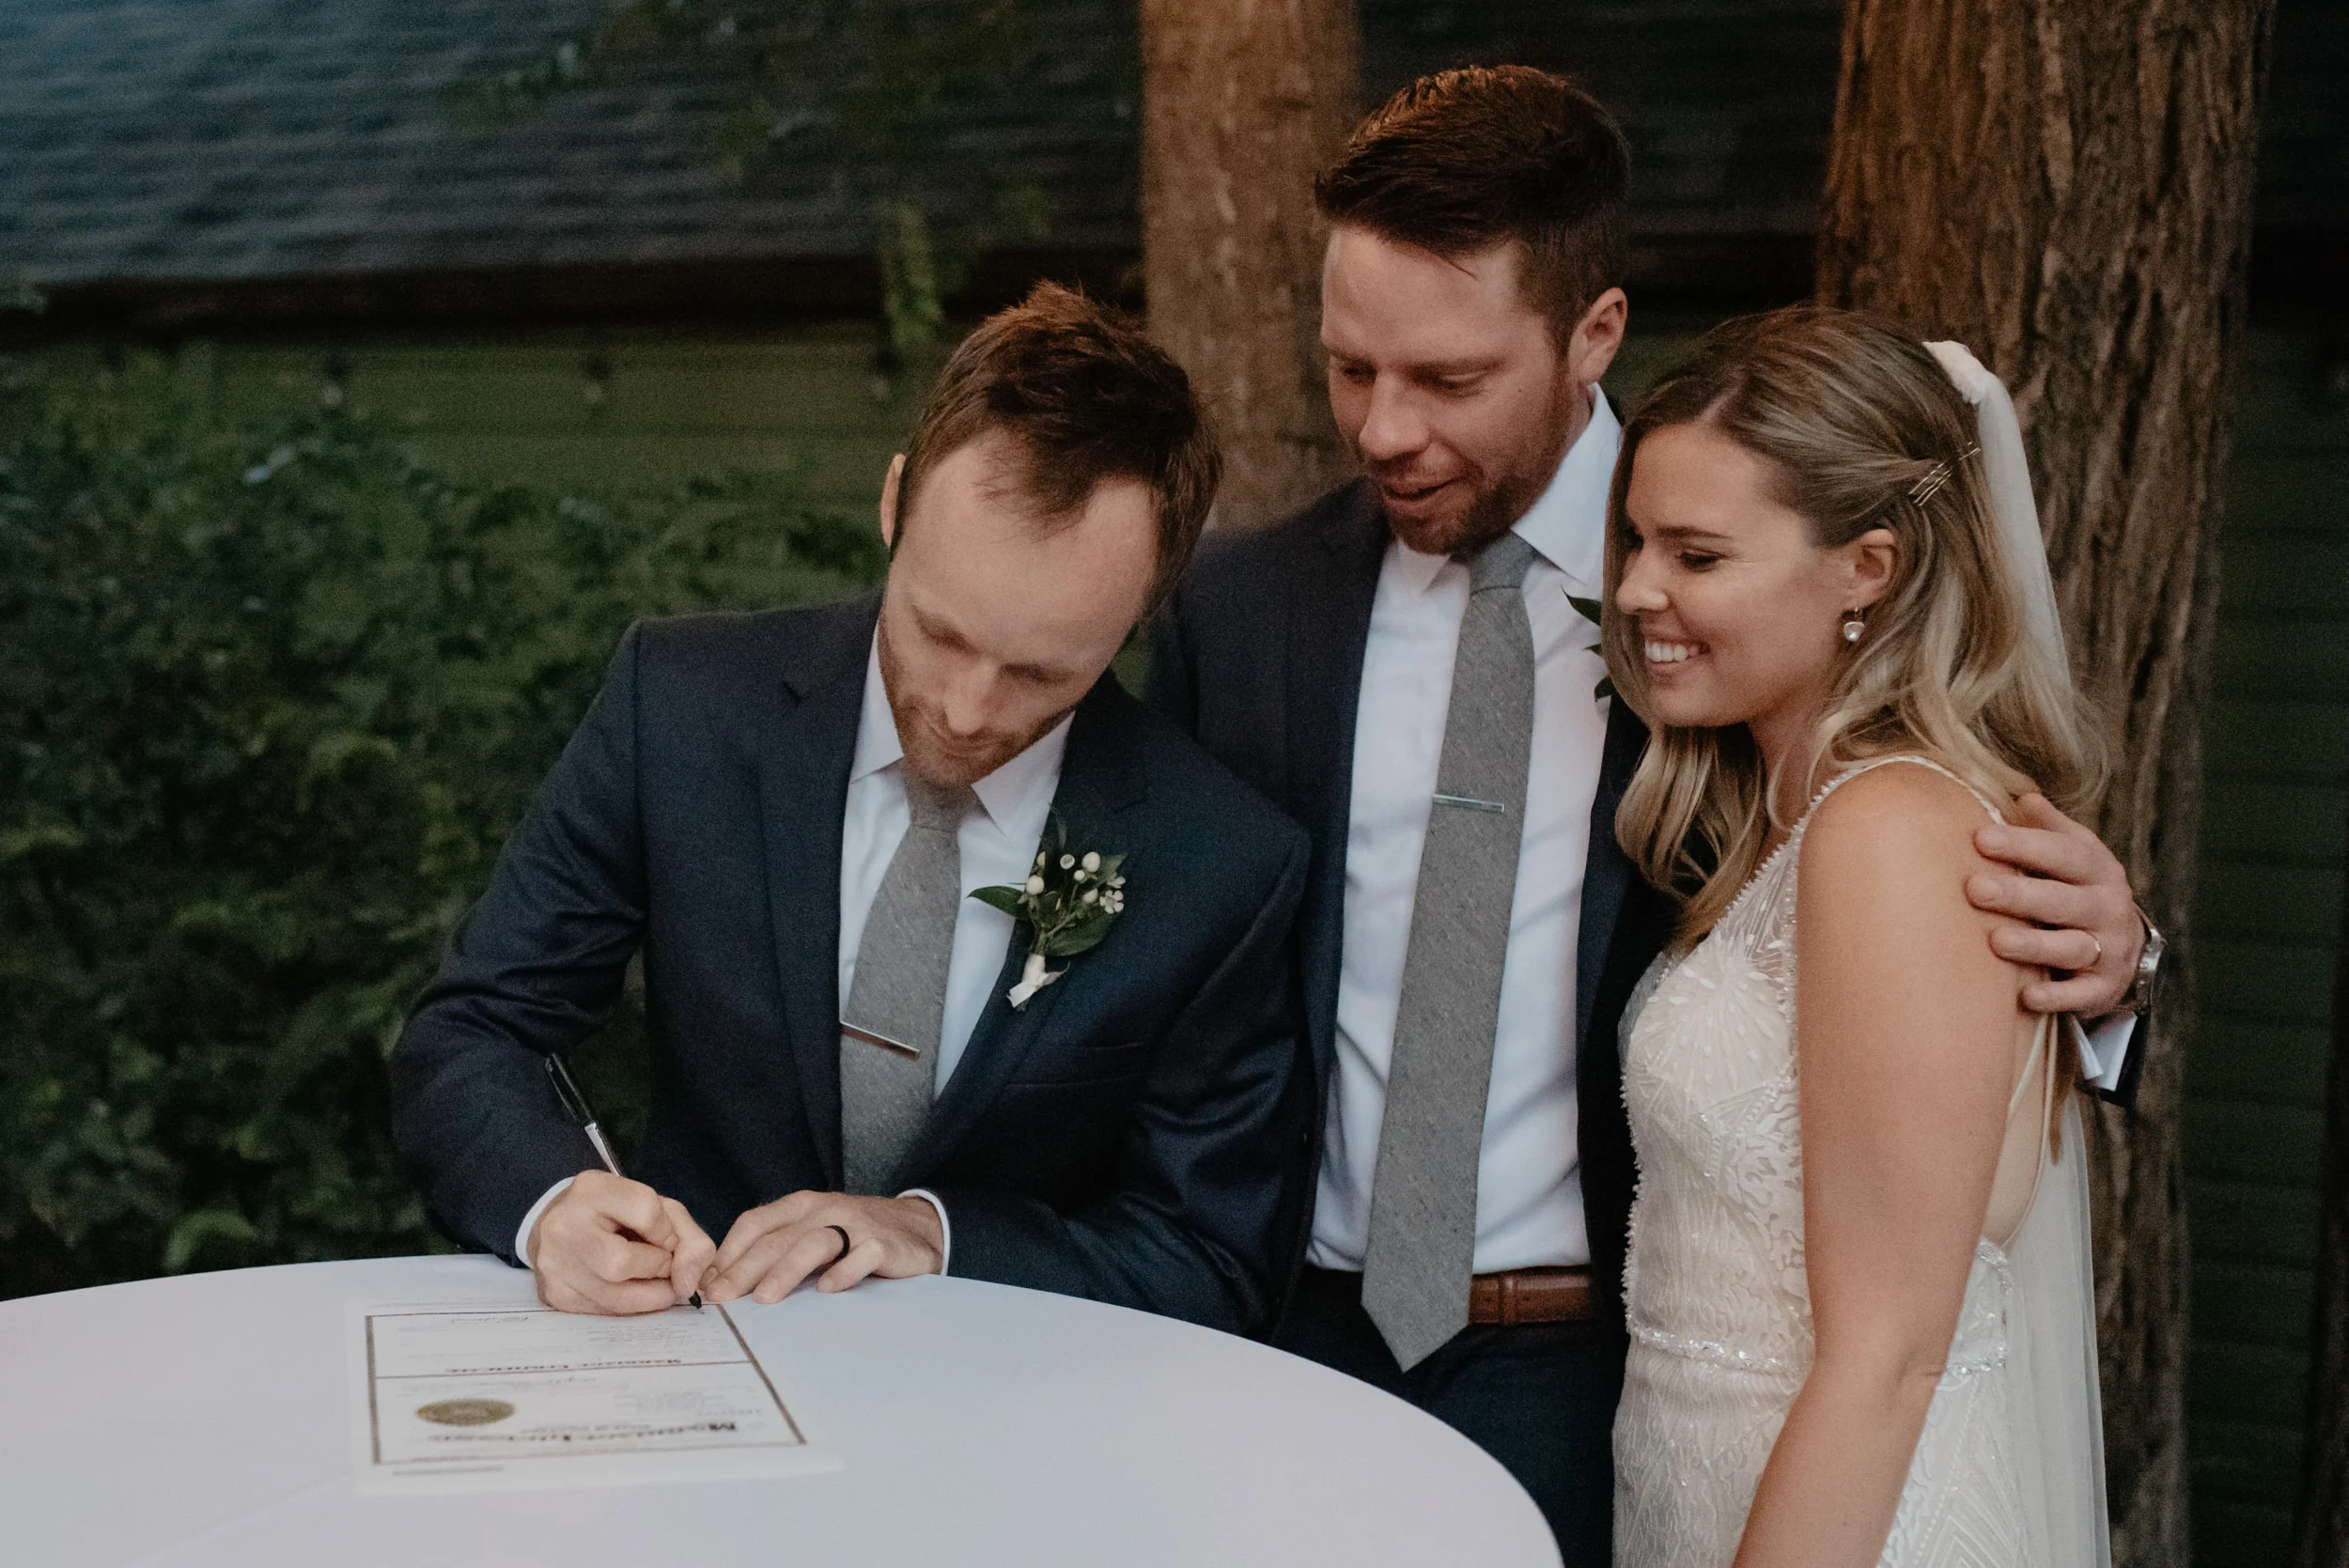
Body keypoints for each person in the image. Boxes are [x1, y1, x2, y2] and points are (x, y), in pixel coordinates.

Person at [1147, 67, 2152, 1559]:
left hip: (1596, 1369)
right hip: (1293, 1340)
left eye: (1449, 378)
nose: (1384, 426)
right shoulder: (1239, 612)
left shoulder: (1752, 616)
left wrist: (2122, 968)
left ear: (1592, 332)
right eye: (1351, 367)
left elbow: (1926, 915)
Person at [392, 283, 1310, 1334]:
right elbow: (474, 1030)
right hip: (696, 1373)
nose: (967, 712)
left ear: (1145, 605)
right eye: (941, 633)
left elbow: (1209, 1257)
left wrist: (940, 1232)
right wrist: (553, 1204)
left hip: (1020, 1432)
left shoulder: (1220, 862)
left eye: (1039, 674)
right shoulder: (681, 710)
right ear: (892, 503)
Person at [1606, 305, 2112, 1567]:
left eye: (1697, 555)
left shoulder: (1888, 830)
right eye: (1633, 541)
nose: (1634, 590)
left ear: (1869, 569)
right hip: (1710, 1477)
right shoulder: (1785, 817)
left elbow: (1888, 1354)